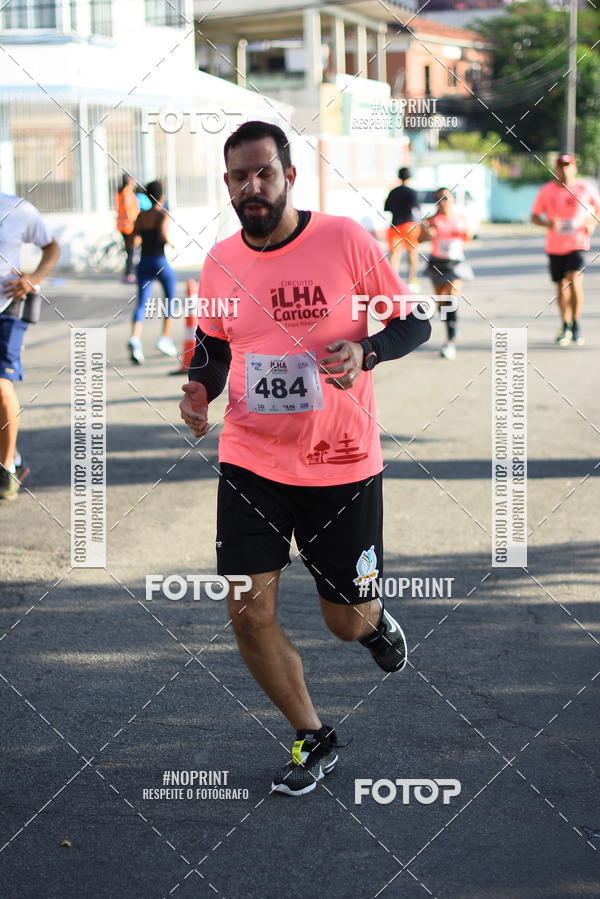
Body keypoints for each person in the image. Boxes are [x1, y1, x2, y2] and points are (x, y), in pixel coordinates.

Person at [179, 121, 431, 796]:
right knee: (246, 609)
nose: (252, 186)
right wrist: (200, 388)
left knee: (345, 620)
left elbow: (415, 320)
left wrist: (366, 351)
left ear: (289, 176)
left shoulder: (344, 239)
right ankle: (312, 733)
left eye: (264, 172)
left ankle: (374, 623)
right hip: (250, 458)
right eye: (239, 176)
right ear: (227, 184)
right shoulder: (220, 260)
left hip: (341, 462)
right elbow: (213, 344)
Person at [0, 192, 60, 500]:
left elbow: (52, 246)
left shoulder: (18, 209)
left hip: (8, 307)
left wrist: (34, 278)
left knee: (1, 386)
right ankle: (14, 456)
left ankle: (7, 468)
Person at [531, 153, 599, 346]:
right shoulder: (546, 190)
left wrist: (591, 223)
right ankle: (565, 323)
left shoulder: (584, 188)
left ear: (574, 168)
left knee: (574, 279)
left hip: (577, 243)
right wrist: (547, 223)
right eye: (561, 166)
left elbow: (598, 208)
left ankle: (576, 323)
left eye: (568, 166)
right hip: (555, 245)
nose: (564, 170)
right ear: (556, 169)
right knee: (561, 285)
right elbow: (534, 216)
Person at [420, 187, 473, 360]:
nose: (442, 202)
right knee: (442, 303)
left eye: (445, 198)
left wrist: (467, 234)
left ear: (453, 200)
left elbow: (469, 235)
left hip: (456, 264)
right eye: (439, 199)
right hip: (437, 263)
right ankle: (450, 325)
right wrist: (427, 233)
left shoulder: (460, 219)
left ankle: (450, 342)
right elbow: (420, 239)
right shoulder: (430, 220)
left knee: (452, 298)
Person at [128, 180, 177, 365]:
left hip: (144, 263)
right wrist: (172, 243)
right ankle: (164, 338)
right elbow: (163, 234)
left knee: (141, 302)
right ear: (162, 197)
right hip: (159, 261)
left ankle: (135, 339)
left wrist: (140, 239)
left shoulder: (141, 215)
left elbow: (133, 240)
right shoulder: (163, 214)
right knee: (170, 298)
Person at [384, 167, 421, 290]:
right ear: (410, 177)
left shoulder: (393, 192)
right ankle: (412, 280)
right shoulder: (412, 192)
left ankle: (393, 282)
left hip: (395, 226)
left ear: (399, 176)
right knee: (412, 253)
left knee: (394, 255)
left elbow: (387, 208)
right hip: (410, 225)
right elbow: (416, 209)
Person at [115, 173, 140, 284]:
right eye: (132, 179)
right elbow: (129, 210)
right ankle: (129, 274)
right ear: (128, 181)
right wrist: (136, 223)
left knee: (129, 250)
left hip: (123, 225)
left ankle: (128, 273)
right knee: (130, 250)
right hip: (128, 226)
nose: (134, 181)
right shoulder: (127, 192)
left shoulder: (122, 192)